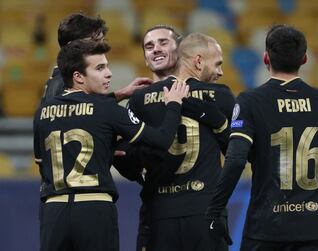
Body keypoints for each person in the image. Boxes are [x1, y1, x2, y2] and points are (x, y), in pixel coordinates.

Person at [206, 24, 318, 251]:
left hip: (266, 229)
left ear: (266, 58)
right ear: (304, 59)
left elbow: (236, 160)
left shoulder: (250, 101)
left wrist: (215, 210)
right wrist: (299, 163)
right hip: (313, 230)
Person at [33, 39, 189, 251]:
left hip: (53, 210)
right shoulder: (107, 109)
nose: (109, 73)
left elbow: (42, 163)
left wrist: (118, 95)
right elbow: (161, 140)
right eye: (100, 68)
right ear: (78, 77)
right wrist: (174, 104)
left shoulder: (43, 111)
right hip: (94, 208)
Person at [127, 32, 235, 251]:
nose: (221, 72)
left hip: (159, 213)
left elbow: (126, 158)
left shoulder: (140, 99)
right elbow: (237, 151)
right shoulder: (221, 95)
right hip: (204, 208)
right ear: (197, 61)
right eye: (217, 64)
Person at [41, 12, 153, 104]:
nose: (102, 48)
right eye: (94, 42)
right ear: (72, 46)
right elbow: (87, 113)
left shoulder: (66, 77)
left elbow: (90, 108)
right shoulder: (62, 83)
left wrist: (122, 93)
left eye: (102, 42)